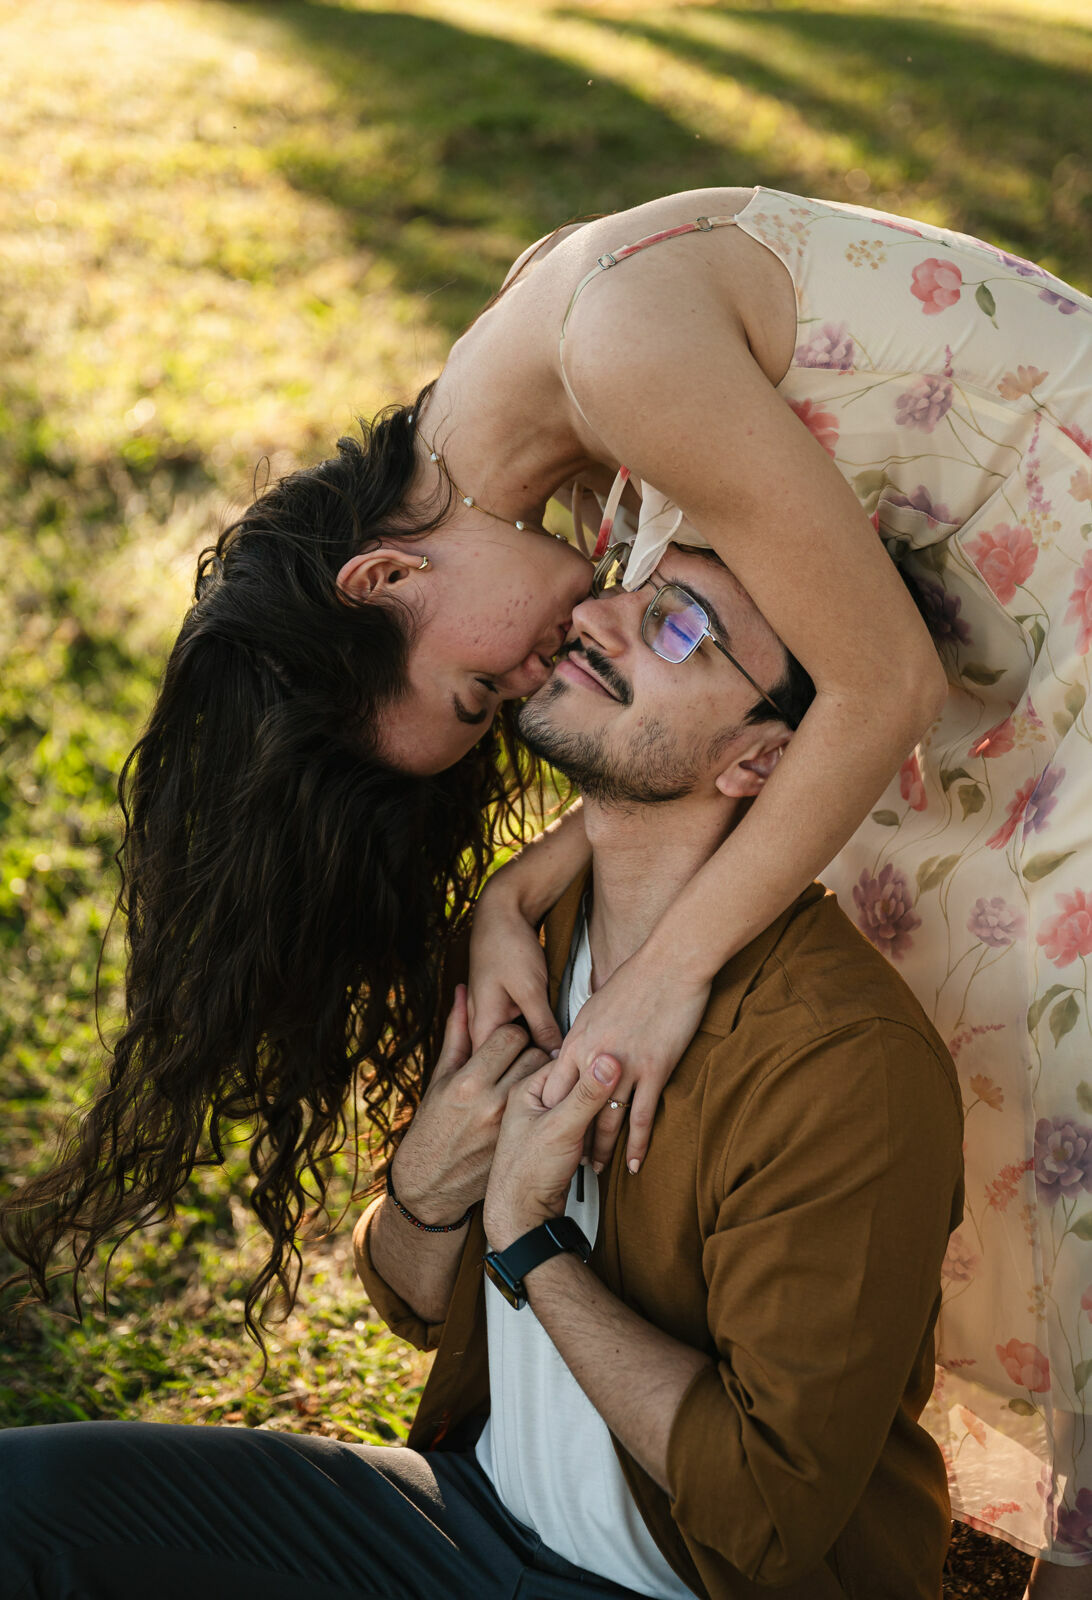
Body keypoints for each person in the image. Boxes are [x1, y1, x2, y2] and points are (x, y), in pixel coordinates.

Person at [3, 183, 1090, 1585]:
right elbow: (715, 745)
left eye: (471, 687)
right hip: (974, 638)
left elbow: (874, 687)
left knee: (1058, 1147)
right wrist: (522, 893)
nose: (532, 669)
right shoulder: (545, 346)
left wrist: (660, 979)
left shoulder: (624, 352)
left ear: (385, 570)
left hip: (1042, 626)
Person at [0, 543, 963, 1599]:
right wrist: (429, 1182)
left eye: (680, 624)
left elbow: (767, 1511)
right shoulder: (533, 937)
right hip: (465, 1524)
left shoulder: (842, 1064)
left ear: (763, 762)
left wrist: (528, 1237)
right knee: (23, 1504)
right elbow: (412, 1298)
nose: (601, 618)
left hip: (678, 1589)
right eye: (630, 584)